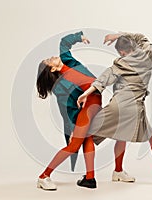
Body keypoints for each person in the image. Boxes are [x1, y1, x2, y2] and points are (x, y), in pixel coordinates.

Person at [77, 32, 152, 185]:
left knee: (86, 134)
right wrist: (117, 35)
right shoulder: (148, 55)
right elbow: (143, 38)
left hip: (119, 107)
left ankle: (89, 178)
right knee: (149, 138)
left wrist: (85, 94)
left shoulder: (120, 63)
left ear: (122, 52)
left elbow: (102, 80)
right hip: (137, 108)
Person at [36, 31, 101, 190]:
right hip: (88, 106)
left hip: (94, 101)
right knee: (75, 144)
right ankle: (44, 176)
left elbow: (64, 42)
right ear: (51, 69)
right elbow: (67, 108)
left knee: (88, 139)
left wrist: (79, 38)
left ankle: (90, 178)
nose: (52, 57)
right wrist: (72, 127)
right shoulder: (61, 86)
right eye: (49, 61)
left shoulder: (67, 60)